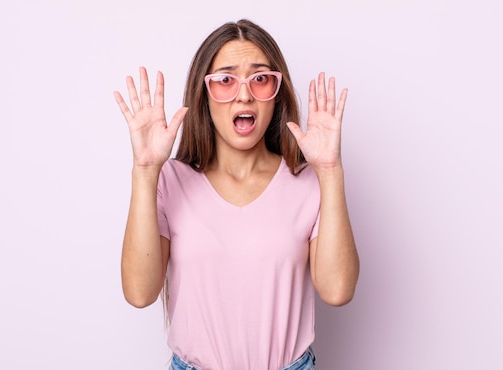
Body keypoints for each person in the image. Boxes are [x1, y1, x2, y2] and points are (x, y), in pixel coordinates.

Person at [113, 19, 359, 370]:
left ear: (277, 93)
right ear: (204, 94)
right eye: (226, 80)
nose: (244, 94)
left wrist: (331, 171)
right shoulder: (171, 181)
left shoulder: (308, 182)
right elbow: (139, 293)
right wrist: (145, 170)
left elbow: (338, 291)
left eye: (260, 79)